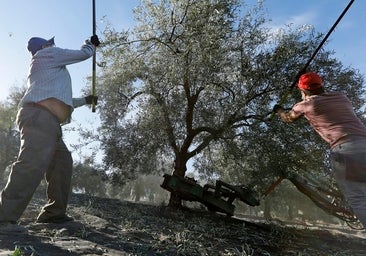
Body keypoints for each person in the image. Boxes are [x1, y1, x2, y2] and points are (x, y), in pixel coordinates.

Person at [0, 35, 100, 232]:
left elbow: (61, 99)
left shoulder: (49, 68)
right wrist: (91, 45)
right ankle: (4, 216)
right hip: (40, 118)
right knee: (31, 162)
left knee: (62, 162)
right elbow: (83, 54)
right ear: (44, 46)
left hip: (49, 122)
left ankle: (53, 215)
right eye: (50, 42)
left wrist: (86, 100)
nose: (54, 44)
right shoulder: (47, 54)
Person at [273, 72, 366, 228]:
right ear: (321, 85)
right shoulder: (341, 97)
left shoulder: (306, 105)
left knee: (358, 198)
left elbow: (288, 118)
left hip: (344, 150)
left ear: (303, 91)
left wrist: (278, 110)